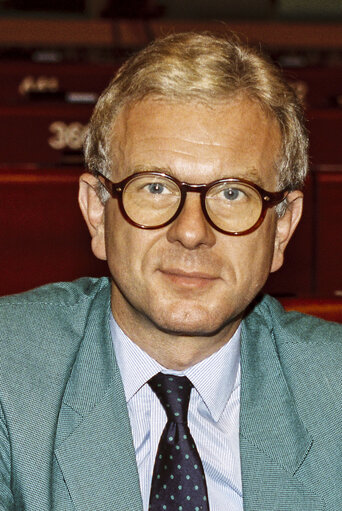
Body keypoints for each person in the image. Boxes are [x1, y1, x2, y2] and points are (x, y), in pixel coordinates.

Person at [0, 32, 341, 511]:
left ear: (281, 229)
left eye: (232, 193)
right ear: (98, 214)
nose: (191, 232)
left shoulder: (334, 393)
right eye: (156, 188)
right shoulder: (8, 375)